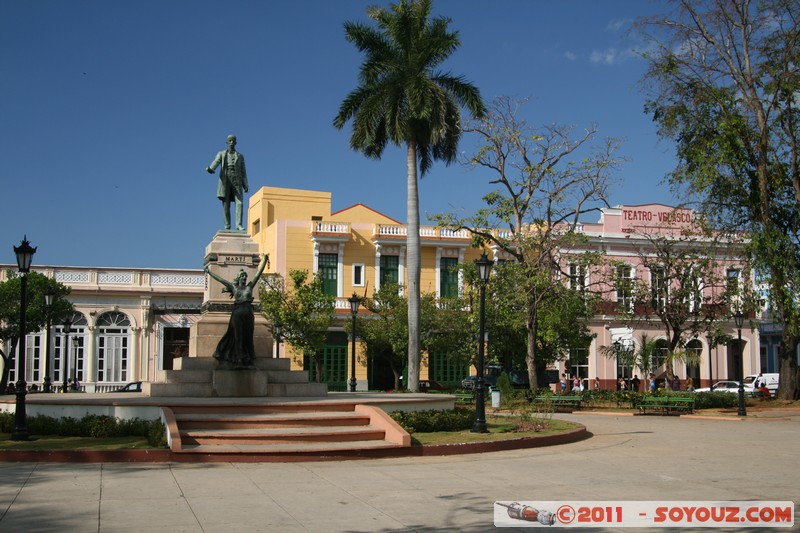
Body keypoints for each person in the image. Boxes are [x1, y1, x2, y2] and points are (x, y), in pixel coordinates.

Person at [205, 255, 269, 368]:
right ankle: (239, 360)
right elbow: (221, 279)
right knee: (238, 337)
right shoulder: (234, 288)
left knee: (248, 337)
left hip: (249, 313)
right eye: (242, 276)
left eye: (245, 276)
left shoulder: (249, 286)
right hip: (238, 313)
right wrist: (209, 273)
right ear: (238, 278)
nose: (244, 278)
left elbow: (258, 274)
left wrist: (264, 261)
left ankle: (248, 358)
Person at [206, 134, 249, 231]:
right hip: (225, 179)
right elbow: (216, 162)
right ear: (227, 142)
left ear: (236, 143)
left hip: (237, 180)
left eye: (233, 141)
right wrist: (211, 169)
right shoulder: (221, 154)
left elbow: (243, 171)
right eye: (230, 141)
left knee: (240, 203)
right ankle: (227, 225)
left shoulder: (240, 156)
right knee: (226, 203)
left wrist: (245, 184)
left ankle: (239, 225)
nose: (231, 143)